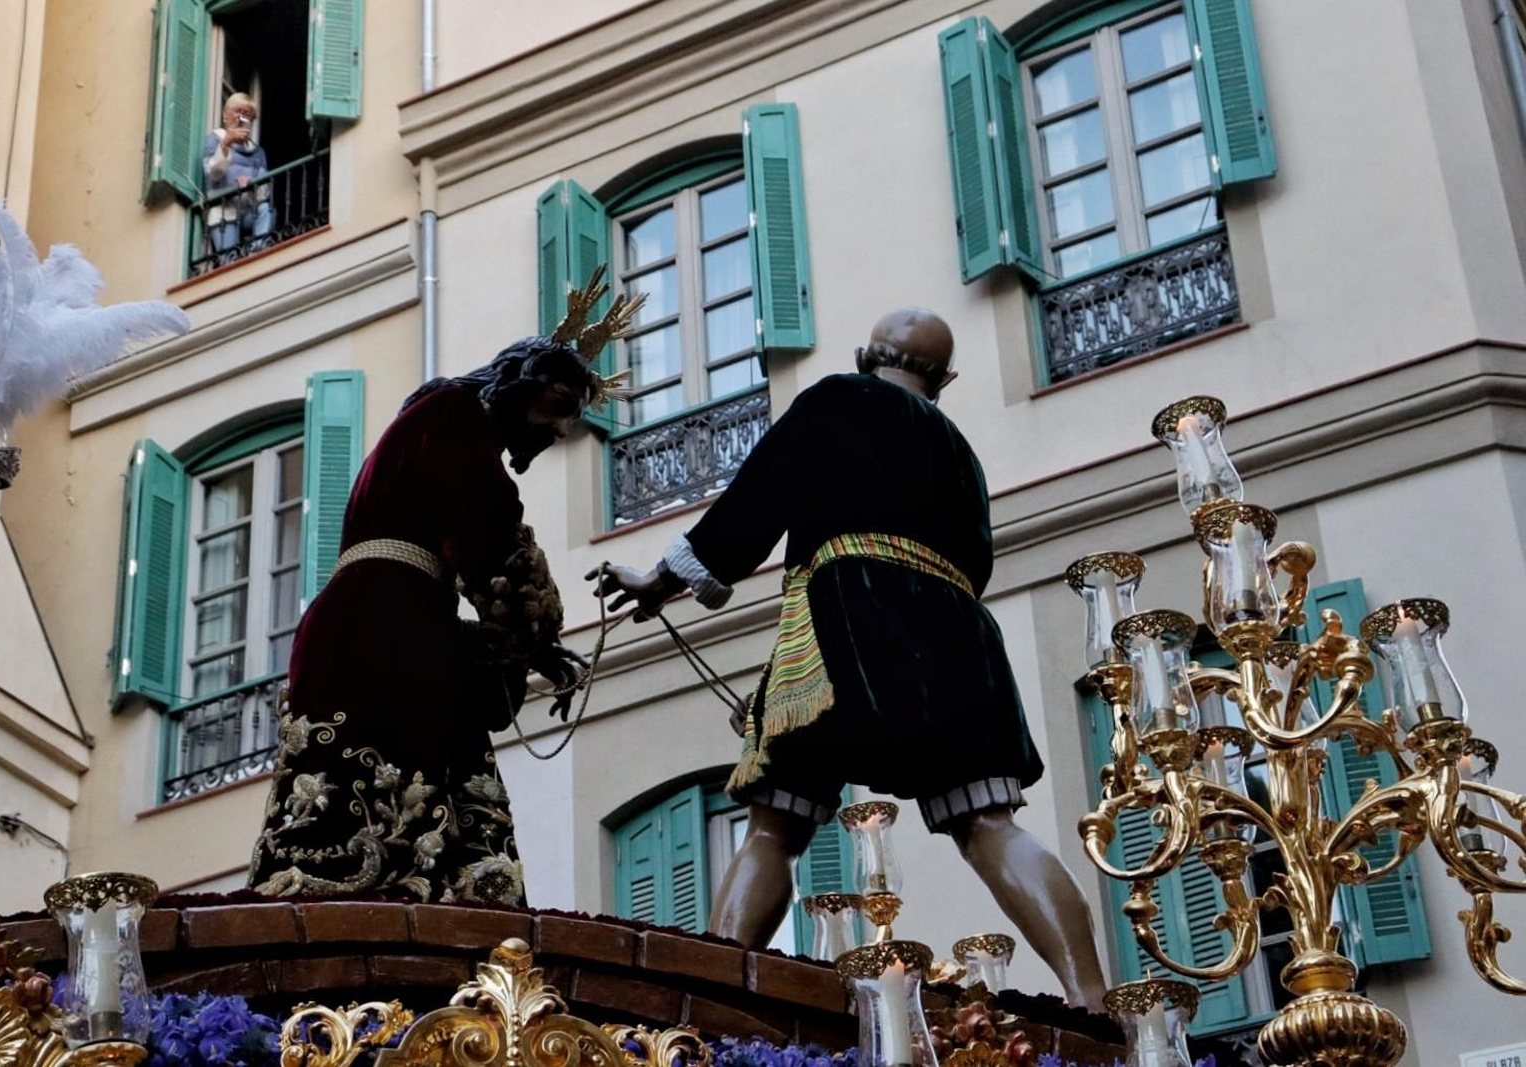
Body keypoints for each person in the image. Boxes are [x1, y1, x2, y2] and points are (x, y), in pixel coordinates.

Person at [594, 308, 1109, 1011]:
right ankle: (1092, 994)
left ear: (865, 354)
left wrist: (661, 581)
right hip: (959, 637)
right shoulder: (959, 448)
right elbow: (977, 561)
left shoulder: (835, 396)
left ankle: (710, 1004)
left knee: (776, 822)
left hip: (843, 618)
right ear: (946, 379)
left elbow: (755, 500)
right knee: (989, 823)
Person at [249, 273, 641, 905]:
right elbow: (497, 554)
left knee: (410, 803)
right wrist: (536, 640)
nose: (562, 429)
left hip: (378, 625)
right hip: (385, 632)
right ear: (519, 381)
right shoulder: (456, 424)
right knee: (373, 810)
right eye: (561, 405)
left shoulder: (429, 424)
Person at [201, 92, 275, 255]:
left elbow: (264, 193)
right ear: (225, 115)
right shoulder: (214, 139)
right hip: (224, 210)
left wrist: (252, 182)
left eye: (247, 114)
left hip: (248, 209)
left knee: (266, 210)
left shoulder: (257, 152)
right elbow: (213, 174)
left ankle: (257, 252)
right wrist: (226, 143)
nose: (241, 117)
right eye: (237, 111)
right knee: (229, 259)